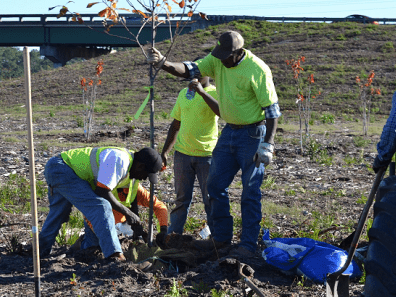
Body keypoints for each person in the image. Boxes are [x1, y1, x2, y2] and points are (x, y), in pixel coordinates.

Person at [147, 30, 281, 256]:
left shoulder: (257, 69)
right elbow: (189, 69)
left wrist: (268, 144)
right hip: (229, 132)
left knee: (250, 191)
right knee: (215, 186)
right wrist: (163, 63)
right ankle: (221, 240)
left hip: (253, 134)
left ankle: (247, 245)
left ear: (238, 53)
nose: (220, 60)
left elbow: (272, 110)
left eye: (226, 56)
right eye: (218, 55)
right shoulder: (218, 60)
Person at [38, 146, 163, 262]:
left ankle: (39, 251)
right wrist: (127, 213)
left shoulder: (130, 173)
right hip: (63, 169)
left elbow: (131, 201)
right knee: (101, 206)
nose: (144, 179)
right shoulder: (120, 161)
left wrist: (136, 227)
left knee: (59, 214)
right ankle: (114, 256)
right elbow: (102, 191)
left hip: (60, 168)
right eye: (146, 175)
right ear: (140, 166)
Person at [160, 75, 220, 238]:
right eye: (192, 72)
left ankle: (216, 239)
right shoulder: (183, 93)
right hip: (182, 154)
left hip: (207, 155)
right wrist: (165, 151)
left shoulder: (216, 92)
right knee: (181, 199)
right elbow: (176, 124)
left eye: (200, 72)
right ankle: (174, 235)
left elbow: (221, 112)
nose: (195, 76)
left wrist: (202, 93)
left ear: (208, 74)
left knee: (210, 199)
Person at [77, 183, 169, 250]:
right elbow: (90, 216)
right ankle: (80, 244)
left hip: (120, 221)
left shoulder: (137, 190)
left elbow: (160, 207)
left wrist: (163, 229)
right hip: (97, 220)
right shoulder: (103, 191)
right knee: (92, 247)